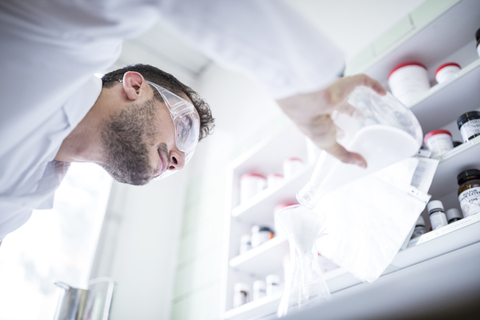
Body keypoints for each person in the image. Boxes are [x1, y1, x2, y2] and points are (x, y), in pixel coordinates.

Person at [0, 0, 385, 241]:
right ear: (135, 86)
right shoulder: (65, 44)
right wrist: (299, 83)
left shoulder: (21, 202)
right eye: (183, 128)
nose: (178, 161)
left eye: (183, 156)